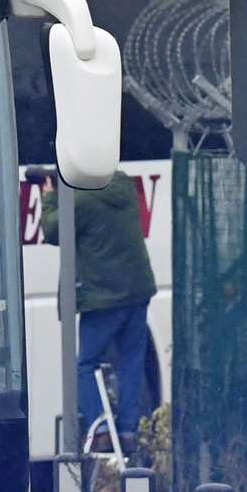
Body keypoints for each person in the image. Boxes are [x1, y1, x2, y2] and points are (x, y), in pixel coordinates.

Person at [72, 171, 156, 453]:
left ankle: (100, 427)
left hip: (103, 298)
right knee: (132, 362)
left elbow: (52, 228)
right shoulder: (125, 187)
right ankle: (128, 430)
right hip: (137, 292)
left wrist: (49, 196)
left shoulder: (80, 199)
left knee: (85, 365)